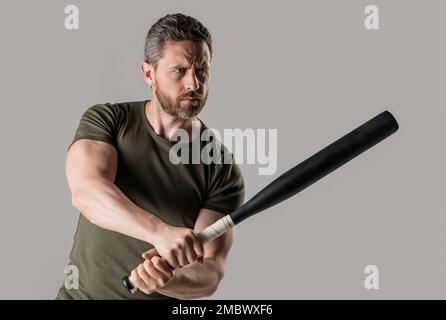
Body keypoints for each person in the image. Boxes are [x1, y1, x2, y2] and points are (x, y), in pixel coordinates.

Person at [56, 13, 245, 300]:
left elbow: (210, 273)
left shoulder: (219, 169)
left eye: (202, 71)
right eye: (179, 71)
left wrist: (164, 280)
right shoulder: (108, 120)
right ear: (148, 74)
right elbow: (87, 192)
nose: (194, 83)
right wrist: (160, 233)